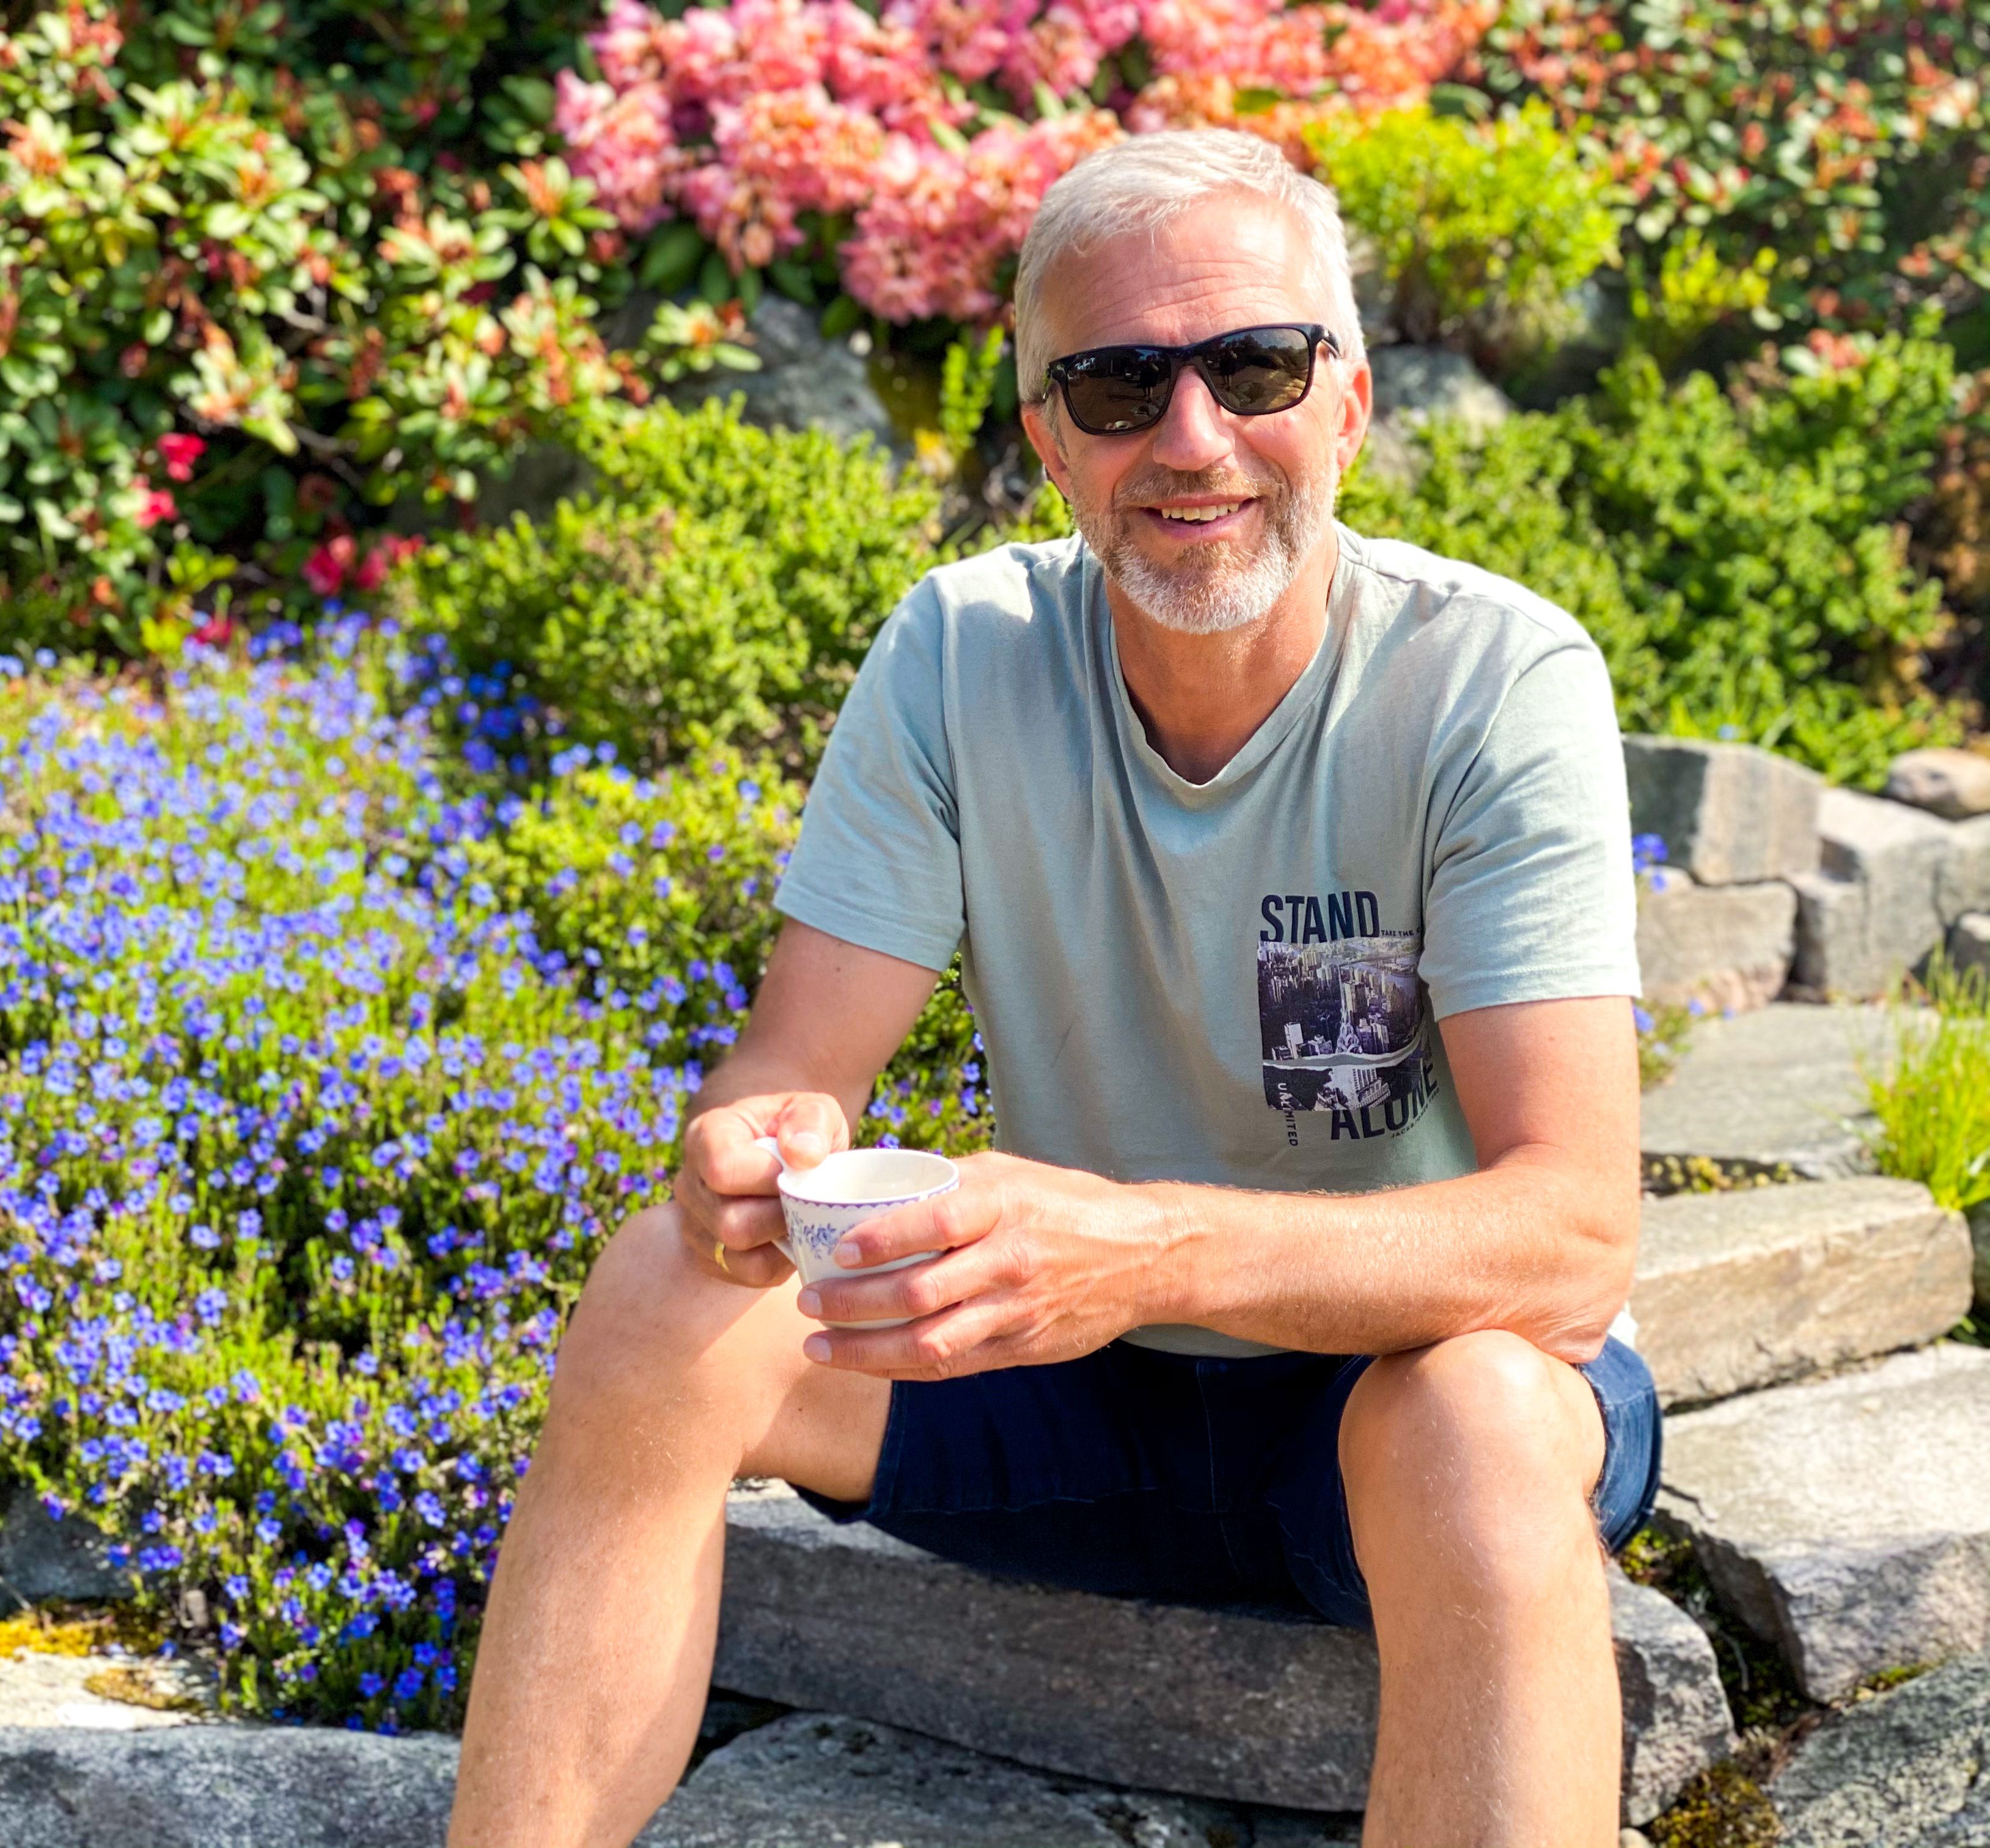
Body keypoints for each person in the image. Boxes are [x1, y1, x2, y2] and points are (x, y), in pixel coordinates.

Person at [449, 126, 1656, 1848]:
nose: (1193, 438)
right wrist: (754, 1152)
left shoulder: (1494, 679)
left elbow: (1573, 1240)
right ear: (1047, 440)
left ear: (1348, 405)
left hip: (1387, 1410)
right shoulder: (962, 652)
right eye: (1117, 385)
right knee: (663, 1288)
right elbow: (795, 1068)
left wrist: (1142, 1249)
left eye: (1256, 367)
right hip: (1073, 1392)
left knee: (1477, 1409)